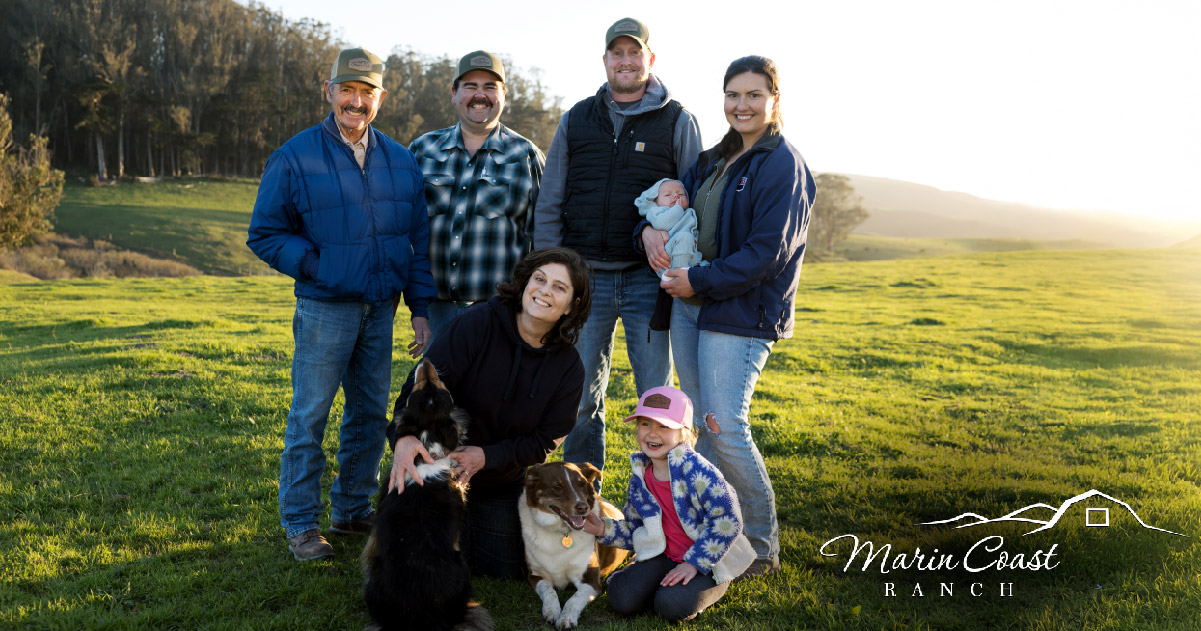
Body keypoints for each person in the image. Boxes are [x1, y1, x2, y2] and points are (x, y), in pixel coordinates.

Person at [247, 47, 436, 561]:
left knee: (371, 415)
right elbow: (264, 233)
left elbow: (417, 241)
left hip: (382, 308)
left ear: (381, 97)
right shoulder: (295, 156)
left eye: (366, 92)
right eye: (346, 90)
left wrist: (419, 307)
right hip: (325, 309)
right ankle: (301, 524)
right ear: (328, 91)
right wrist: (318, 266)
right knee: (310, 415)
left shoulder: (401, 160)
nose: (355, 102)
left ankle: (352, 508)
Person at [642, 55, 816, 578]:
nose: (742, 105)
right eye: (732, 95)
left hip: (739, 313)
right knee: (699, 427)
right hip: (691, 309)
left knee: (725, 425)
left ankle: (761, 549)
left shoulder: (782, 163)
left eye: (753, 95)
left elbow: (767, 253)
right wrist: (647, 233)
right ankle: (716, 530)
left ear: (774, 100)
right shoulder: (714, 158)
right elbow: (670, 209)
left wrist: (700, 280)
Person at [533, 17, 703, 482]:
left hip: (651, 282)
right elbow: (551, 199)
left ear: (650, 59)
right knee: (582, 394)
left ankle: (664, 494)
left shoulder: (678, 121)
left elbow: (695, 203)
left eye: (635, 53)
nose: (625, 61)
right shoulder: (577, 117)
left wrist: (655, 232)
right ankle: (583, 494)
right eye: (617, 53)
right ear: (605, 59)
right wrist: (552, 270)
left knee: (656, 396)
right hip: (586, 278)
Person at [387, 247, 591, 578]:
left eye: (559, 287)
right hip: (439, 468)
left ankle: (471, 526)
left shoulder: (568, 368)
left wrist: (486, 456)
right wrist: (404, 438)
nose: (544, 291)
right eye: (539, 279)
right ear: (525, 283)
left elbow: (544, 440)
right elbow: (420, 386)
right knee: (423, 559)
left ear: (571, 306)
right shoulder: (476, 324)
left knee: (501, 569)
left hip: (498, 477)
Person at [581, 386, 754, 622]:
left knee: (670, 605)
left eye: (664, 426)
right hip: (663, 554)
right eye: (645, 424)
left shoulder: (701, 473)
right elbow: (636, 530)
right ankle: (659, 584)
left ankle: (704, 590)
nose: (652, 434)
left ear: (683, 432)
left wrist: (693, 563)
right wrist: (602, 529)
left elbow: (728, 522)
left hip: (708, 563)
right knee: (621, 597)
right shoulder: (640, 479)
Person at [409, 50, 545, 339]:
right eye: (470, 86)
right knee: (437, 384)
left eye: (490, 87)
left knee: (495, 385)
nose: (479, 95)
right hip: (435, 311)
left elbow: (544, 239)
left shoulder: (526, 156)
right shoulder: (422, 150)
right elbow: (400, 228)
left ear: (504, 95)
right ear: (454, 94)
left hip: (501, 311)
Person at [634, 178, 706, 276]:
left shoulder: (688, 212)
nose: (676, 196)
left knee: (705, 264)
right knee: (683, 237)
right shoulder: (655, 211)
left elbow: (692, 230)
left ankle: (692, 269)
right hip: (666, 257)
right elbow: (661, 224)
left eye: (681, 194)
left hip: (687, 253)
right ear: (656, 201)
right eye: (668, 195)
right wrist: (677, 209)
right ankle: (679, 273)